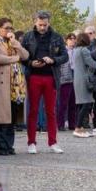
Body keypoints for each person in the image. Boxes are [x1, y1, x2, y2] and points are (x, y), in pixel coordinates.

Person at [21, 11, 68, 154]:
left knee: (51, 111)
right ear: (35, 22)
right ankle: (31, 142)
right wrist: (31, 63)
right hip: (34, 76)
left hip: (51, 77)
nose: (42, 27)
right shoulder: (28, 37)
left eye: (45, 25)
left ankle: (53, 142)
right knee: (33, 110)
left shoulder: (57, 37)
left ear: (49, 23)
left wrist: (53, 60)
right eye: (40, 24)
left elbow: (65, 56)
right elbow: (21, 56)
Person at [0, 18, 29, 155]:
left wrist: (16, 43)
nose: (9, 31)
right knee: (3, 117)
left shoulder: (13, 42)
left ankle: (9, 146)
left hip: (16, 85)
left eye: (11, 28)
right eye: (6, 28)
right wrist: (15, 59)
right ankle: (1, 147)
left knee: (12, 117)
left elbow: (26, 55)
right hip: (2, 83)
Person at [72, 32, 96, 138]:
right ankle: (78, 128)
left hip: (76, 78)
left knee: (81, 104)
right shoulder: (84, 50)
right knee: (86, 103)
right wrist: (95, 64)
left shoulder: (75, 50)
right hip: (84, 79)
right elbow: (93, 64)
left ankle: (80, 127)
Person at [57, 33, 77, 131]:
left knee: (73, 103)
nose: (72, 40)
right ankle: (60, 123)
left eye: (74, 39)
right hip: (65, 79)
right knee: (63, 102)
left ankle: (72, 124)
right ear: (66, 40)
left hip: (75, 78)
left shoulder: (76, 51)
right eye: (70, 38)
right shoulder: (63, 51)